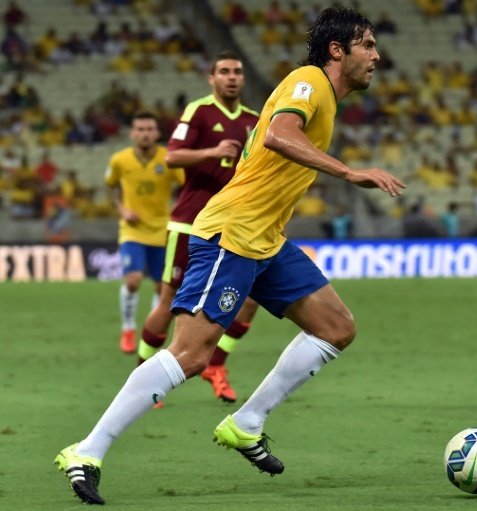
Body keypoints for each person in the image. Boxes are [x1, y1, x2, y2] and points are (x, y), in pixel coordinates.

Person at [54, 7, 405, 505]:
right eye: (367, 44)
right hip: (232, 233)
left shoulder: (326, 97)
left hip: (266, 239)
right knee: (191, 354)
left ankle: (247, 422)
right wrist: (349, 173)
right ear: (337, 50)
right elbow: (281, 135)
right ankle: (87, 450)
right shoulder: (308, 82)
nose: (376, 55)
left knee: (336, 327)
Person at [138, 50, 261, 404]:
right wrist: (212, 151)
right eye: (224, 71)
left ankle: (216, 365)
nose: (232, 77)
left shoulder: (256, 120)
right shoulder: (199, 112)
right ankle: (143, 374)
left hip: (236, 225)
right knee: (168, 302)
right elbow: (172, 156)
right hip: (191, 222)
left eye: (237, 71)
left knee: (252, 299)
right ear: (212, 78)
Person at [106, 112, 185, 354]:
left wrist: (179, 210)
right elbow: (110, 188)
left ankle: (149, 331)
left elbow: (186, 185)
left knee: (162, 290)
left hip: (163, 231)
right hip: (133, 231)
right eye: (140, 129)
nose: (145, 133)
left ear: (158, 133)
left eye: (149, 129)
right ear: (132, 133)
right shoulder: (119, 160)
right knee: (132, 281)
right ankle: (128, 328)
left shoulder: (169, 159)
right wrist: (122, 209)